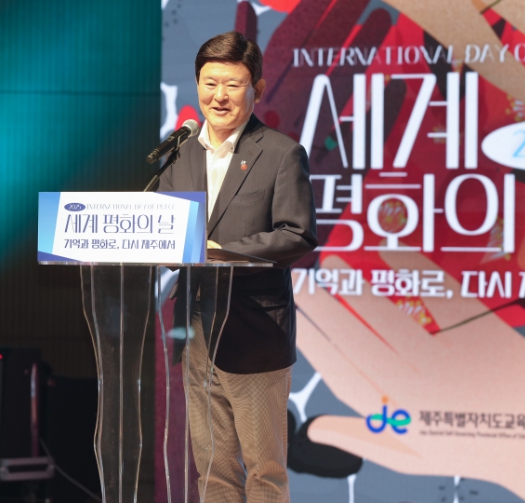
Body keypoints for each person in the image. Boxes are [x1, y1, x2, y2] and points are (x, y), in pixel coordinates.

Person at [158, 31, 317, 503]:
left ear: (258, 89)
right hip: (195, 328)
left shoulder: (281, 153)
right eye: (210, 84)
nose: (219, 96)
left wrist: (221, 251)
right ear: (197, 86)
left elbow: (297, 234)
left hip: (254, 330)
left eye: (232, 84)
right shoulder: (179, 151)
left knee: (264, 472)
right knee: (212, 469)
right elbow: (165, 226)